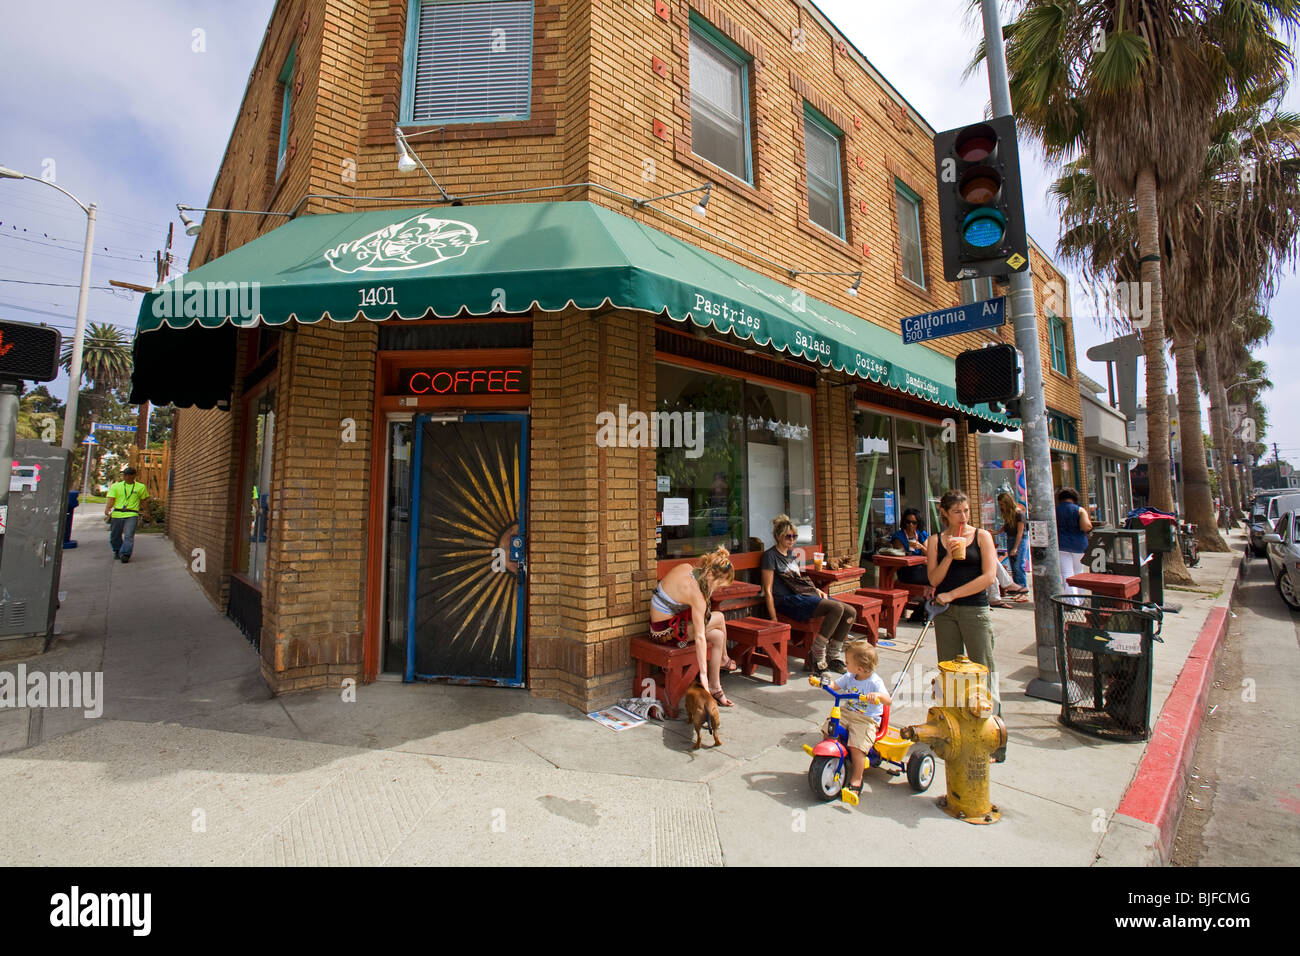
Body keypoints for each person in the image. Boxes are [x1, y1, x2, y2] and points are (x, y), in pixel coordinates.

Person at [761, 514, 857, 676]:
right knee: (835, 608)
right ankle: (817, 653)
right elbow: (768, 590)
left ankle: (833, 656)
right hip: (785, 600)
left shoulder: (791, 554)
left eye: (794, 536)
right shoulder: (770, 556)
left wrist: (815, 590)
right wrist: (773, 618)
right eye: (788, 536)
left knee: (850, 612)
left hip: (802, 596)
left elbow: (798, 581)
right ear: (778, 536)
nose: (792, 539)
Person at [649, 545, 737, 707]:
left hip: (662, 623)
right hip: (664, 632)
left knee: (718, 636)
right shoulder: (696, 595)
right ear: (710, 575)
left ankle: (715, 687)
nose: (717, 589)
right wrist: (702, 673)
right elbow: (699, 636)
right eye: (719, 585)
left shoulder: (687, 568)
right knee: (719, 617)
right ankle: (724, 659)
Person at [925, 490, 998, 678]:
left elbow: (989, 577)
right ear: (945, 512)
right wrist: (949, 556)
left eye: (966, 510)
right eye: (957, 511)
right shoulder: (934, 540)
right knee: (949, 668)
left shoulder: (982, 536)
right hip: (945, 611)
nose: (963, 516)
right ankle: (951, 707)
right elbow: (934, 580)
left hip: (974, 609)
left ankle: (989, 708)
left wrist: (953, 594)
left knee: (982, 666)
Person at [822, 640, 890, 795]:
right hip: (848, 712)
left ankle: (857, 779)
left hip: (866, 718)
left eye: (847, 662)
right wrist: (822, 683)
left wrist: (877, 695)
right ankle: (830, 756)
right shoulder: (850, 676)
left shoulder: (875, 682)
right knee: (830, 728)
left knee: (856, 747)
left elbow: (888, 700)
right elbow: (835, 685)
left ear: (860, 668)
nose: (845, 664)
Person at [104, 466, 153, 564]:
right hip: (117, 513)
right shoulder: (116, 486)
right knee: (115, 535)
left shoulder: (140, 487)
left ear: (134, 476)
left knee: (129, 535)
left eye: (130, 475)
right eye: (125, 475)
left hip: (132, 513)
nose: (127, 477)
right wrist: (108, 508)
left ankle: (125, 554)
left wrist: (147, 512)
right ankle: (117, 550)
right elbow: (111, 499)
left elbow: (143, 501)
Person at [890, 507, 932, 620]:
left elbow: (930, 553)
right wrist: (908, 549)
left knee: (940, 577)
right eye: (908, 522)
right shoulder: (899, 536)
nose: (910, 525)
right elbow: (901, 555)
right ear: (904, 522)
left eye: (914, 522)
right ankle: (923, 610)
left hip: (921, 570)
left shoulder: (922, 534)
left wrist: (921, 547)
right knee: (937, 578)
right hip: (907, 572)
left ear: (918, 523)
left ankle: (921, 610)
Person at [1056, 487, 1093, 595]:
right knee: (1078, 571)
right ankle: (1081, 597)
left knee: (1066, 572)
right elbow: (1086, 527)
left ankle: (1072, 600)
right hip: (1079, 545)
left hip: (1061, 545)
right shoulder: (1080, 510)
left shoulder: (1055, 510)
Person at [997, 492, 1030, 597]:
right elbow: (1005, 527)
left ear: (1007, 502)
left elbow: (1020, 533)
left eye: (1002, 504)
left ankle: (1023, 589)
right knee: (1014, 565)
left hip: (1019, 540)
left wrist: (1015, 548)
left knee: (1018, 565)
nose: (1001, 507)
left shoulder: (1019, 513)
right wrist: (995, 532)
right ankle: (1017, 588)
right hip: (1010, 539)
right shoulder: (1009, 514)